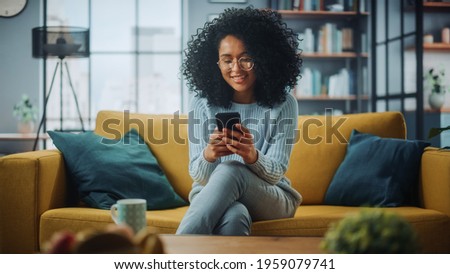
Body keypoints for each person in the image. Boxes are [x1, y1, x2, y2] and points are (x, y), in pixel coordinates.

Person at [176, 6, 303, 235]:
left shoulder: (284, 103)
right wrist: (210, 154)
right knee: (235, 216)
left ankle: (170, 256)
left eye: (246, 59)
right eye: (227, 60)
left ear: (264, 59)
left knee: (232, 169)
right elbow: (199, 176)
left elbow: (276, 174)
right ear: (216, 64)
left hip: (271, 197)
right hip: (211, 194)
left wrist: (251, 156)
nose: (236, 69)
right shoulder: (202, 103)